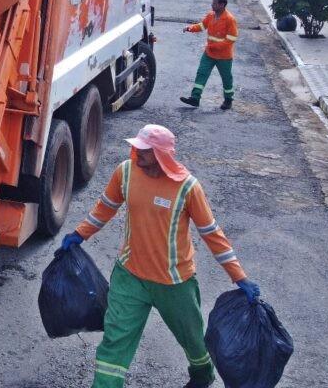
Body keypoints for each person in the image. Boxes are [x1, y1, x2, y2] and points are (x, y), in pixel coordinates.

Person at [61, 125, 259, 388]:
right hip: (129, 276)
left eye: (143, 150)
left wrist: (239, 277)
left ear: (160, 154)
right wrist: (79, 234)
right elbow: (105, 207)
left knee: (193, 340)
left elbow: (212, 234)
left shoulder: (188, 188)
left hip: (174, 283)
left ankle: (202, 375)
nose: (135, 152)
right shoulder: (126, 172)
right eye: (136, 147)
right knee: (114, 342)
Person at [179, 0, 238, 110]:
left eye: (215, 3)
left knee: (226, 78)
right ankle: (195, 98)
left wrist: (215, 46)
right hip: (209, 53)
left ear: (222, 5)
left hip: (224, 56)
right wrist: (190, 28)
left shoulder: (230, 19)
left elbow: (232, 38)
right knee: (201, 73)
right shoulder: (211, 15)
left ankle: (228, 100)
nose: (212, 5)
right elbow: (202, 26)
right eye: (212, 3)